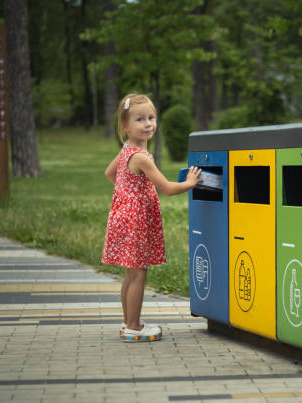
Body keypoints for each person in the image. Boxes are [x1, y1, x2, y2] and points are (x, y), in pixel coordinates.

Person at [102, 93, 202, 342]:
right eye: (139, 119)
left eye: (151, 117)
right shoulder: (141, 158)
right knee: (139, 273)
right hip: (135, 220)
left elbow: (110, 173)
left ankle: (129, 322)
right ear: (125, 126)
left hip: (122, 215)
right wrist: (190, 183)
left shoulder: (126, 150)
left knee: (130, 273)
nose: (148, 124)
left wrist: (127, 193)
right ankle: (134, 327)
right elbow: (167, 189)